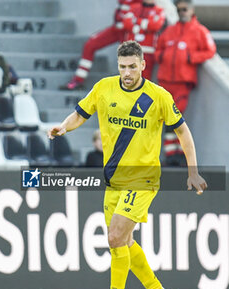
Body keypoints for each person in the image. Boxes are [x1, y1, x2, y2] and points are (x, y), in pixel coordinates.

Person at [48, 40, 207, 289]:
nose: (127, 73)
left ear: (143, 65)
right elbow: (81, 114)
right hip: (113, 179)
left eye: (133, 67)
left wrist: (192, 171)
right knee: (122, 241)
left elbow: (183, 132)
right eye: (122, 67)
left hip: (143, 178)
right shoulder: (104, 88)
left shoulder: (158, 96)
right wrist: (63, 126)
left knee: (114, 238)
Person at [155, 0, 216, 166]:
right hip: (165, 81)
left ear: (191, 10)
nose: (181, 12)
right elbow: (158, 48)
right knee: (168, 118)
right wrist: (161, 56)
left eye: (184, 9)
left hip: (182, 82)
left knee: (176, 117)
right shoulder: (169, 31)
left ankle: (179, 153)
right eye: (178, 9)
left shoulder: (199, 31)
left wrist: (191, 58)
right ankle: (171, 154)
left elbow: (210, 50)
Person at [60, 0, 142, 91]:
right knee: (90, 45)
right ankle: (78, 80)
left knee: (130, 59)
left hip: (129, 31)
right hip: (117, 29)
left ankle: (131, 89)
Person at [123, 0, 166, 80]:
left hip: (148, 52)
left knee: (144, 81)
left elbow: (156, 25)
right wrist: (146, 25)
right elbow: (126, 23)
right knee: (128, 79)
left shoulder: (159, 10)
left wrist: (137, 22)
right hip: (130, 51)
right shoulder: (134, 8)